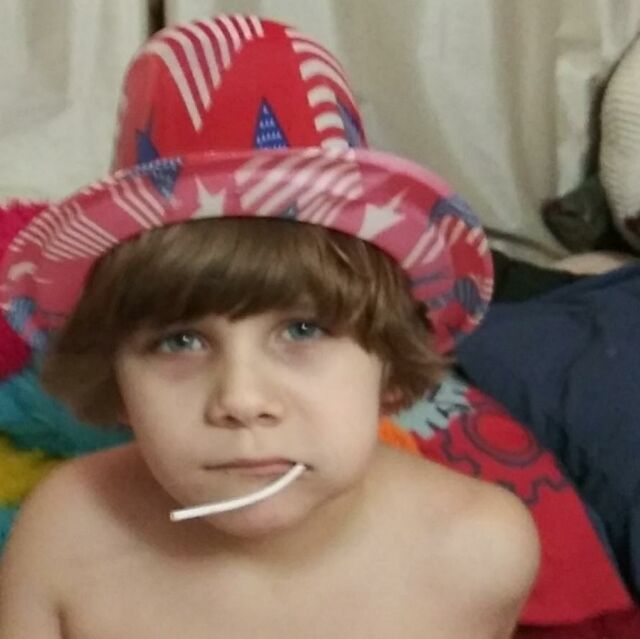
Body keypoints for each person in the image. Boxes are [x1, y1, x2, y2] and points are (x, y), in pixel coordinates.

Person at [0, 15, 539, 638]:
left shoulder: (481, 550)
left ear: (391, 359)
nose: (241, 400)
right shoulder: (63, 535)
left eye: (303, 330)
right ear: (115, 379)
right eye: (180, 341)